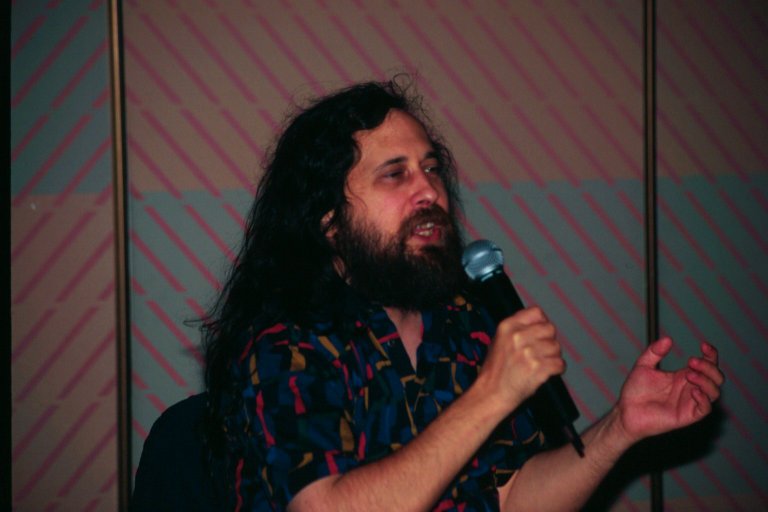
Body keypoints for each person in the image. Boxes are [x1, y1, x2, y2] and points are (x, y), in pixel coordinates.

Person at [191, 78, 723, 511]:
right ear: (329, 223)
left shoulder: (466, 321)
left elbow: (510, 497)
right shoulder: (286, 344)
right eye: (394, 175)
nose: (428, 190)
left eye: (431, 168)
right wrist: (491, 394)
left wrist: (621, 428)